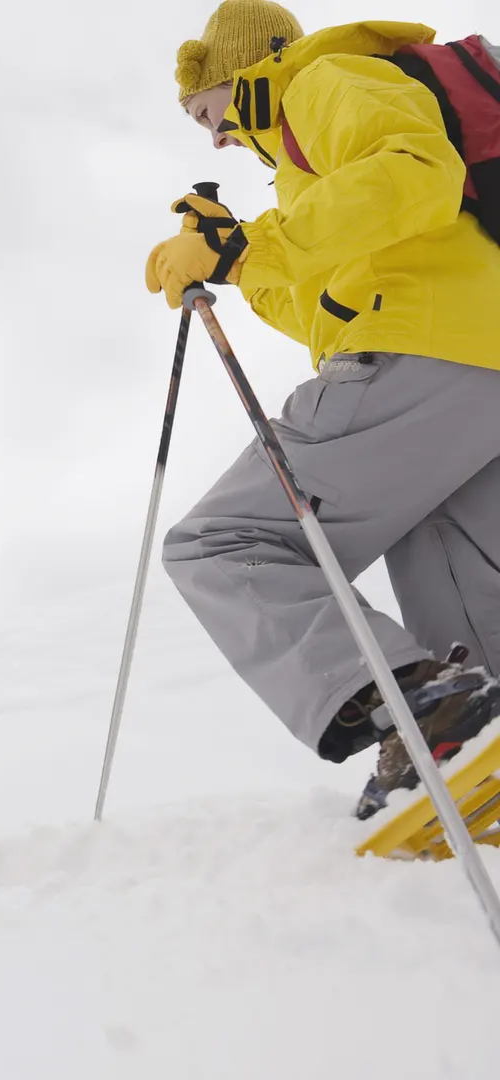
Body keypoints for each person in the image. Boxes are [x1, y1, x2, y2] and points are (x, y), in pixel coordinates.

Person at [145, 1, 500, 817]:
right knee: (452, 579)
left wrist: (251, 244)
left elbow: (419, 170)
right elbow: (324, 312)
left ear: (244, 74)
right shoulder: (311, 158)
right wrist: (237, 263)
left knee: (221, 542)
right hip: (473, 364)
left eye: (208, 113)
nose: (214, 139)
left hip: (425, 343)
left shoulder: (321, 80)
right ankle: (468, 746)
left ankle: (419, 714)